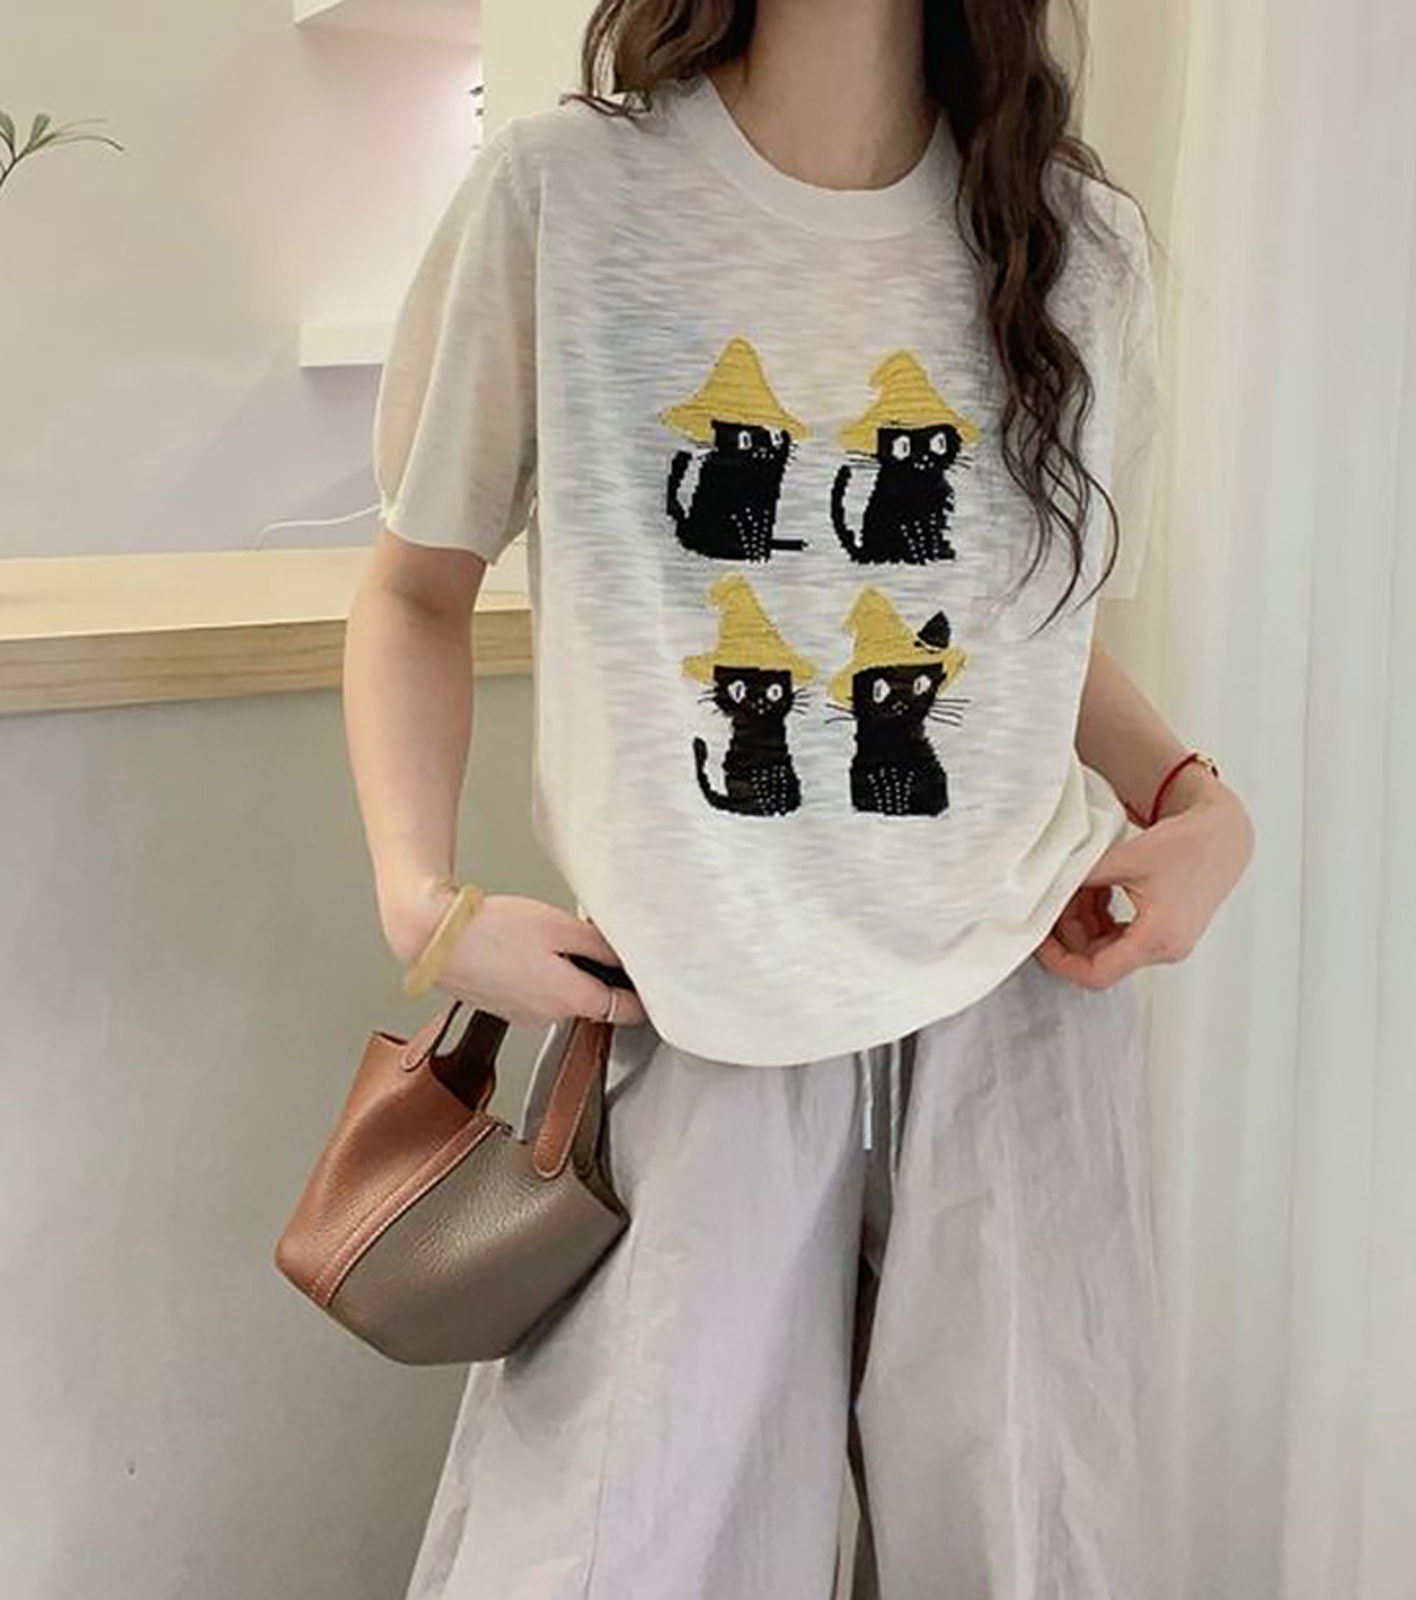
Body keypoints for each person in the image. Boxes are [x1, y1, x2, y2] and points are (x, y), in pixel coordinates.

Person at [343, 1, 1255, 1595]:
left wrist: (1197, 804)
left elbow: (1019, 645)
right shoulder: (565, 200)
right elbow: (416, 589)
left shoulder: (1076, 244)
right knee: (618, 1552)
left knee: (1032, 1553)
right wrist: (422, 903)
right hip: (693, 1005)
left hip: (1019, 1008)